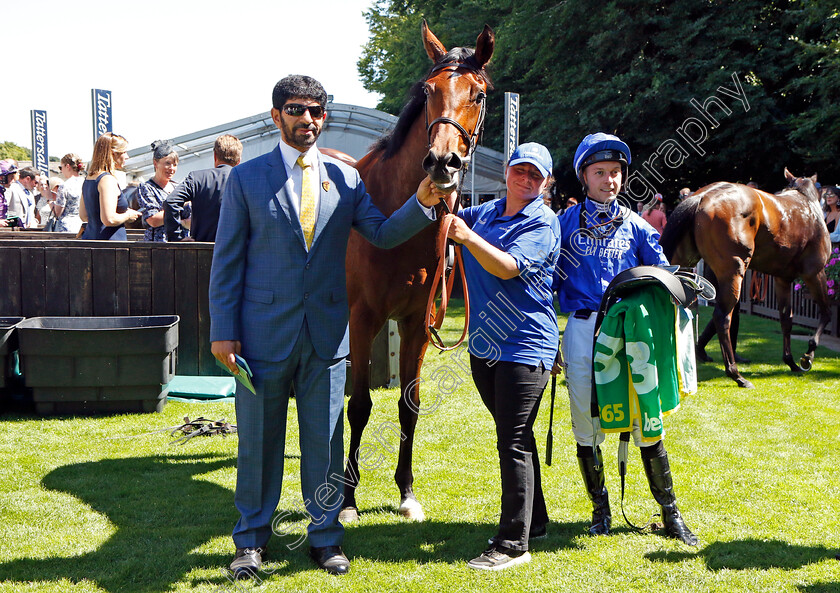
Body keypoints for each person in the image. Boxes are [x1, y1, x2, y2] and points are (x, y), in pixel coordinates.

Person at [209, 74, 450, 579]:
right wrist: (223, 333)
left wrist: (425, 201)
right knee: (258, 443)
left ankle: (325, 538)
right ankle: (251, 541)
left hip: (327, 337)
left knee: (326, 441)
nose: (308, 120)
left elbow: (382, 234)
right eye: (297, 110)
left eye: (317, 111)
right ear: (276, 116)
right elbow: (226, 264)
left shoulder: (347, 181)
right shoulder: (245, 181)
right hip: (259, 337)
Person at [554, 132, 697, 546]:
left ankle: (670, 514)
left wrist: (683, 284)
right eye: (600, 172)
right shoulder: (562, 225)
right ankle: (600, 511)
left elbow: (663, 274)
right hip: (582, 329)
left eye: (615, 172)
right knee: (585, 420)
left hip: (630, 335)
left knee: (646, 419)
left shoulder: (637, 226)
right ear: (584, 176)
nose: (610, 180)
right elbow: (543, 281)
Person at [445, 142, 561, 571]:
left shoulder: (543, 223)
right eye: (521, 171)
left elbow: (508, 267)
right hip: (485, 346)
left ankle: (513, 544)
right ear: (507, 173)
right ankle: (537, 522)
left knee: (511, 440)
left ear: (545, 182)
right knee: (519, 436)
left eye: (536, 175)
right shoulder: (489, 212)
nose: (526, 180)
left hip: (527, 346)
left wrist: (468, 237)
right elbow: (447, 214)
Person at [164, 134, 243, 242]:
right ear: (239, 160)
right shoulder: (246, 180)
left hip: (200, 250)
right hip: (236, 252)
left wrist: (176, 237)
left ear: (215, 156)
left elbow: (171, 201)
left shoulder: (196, 178)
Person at [80, 132, 141, 240]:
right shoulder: (107, 180)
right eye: (124, 152)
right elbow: (109, 219)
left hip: (90, 240)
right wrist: (128, 215)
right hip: (110, 246)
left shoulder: (89, 178)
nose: (127, 157)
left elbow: (83, 215)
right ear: (113, 154)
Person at [138, 140, 179, 242]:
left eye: (175, 164)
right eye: (167, 163)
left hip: (180, 244)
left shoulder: (178, 187)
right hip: (157, 248)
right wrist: (180, 211)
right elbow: (153, 219)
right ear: (155, 163)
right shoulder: (146, 188)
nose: (172, 168)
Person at [54, 153, 85, 233]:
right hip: (84, 225)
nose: (61, 171)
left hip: (67, 226)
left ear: (67, 166)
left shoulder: (64, 186)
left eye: (61, 167)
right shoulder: (86, 183)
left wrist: (50, 200)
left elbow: (58, 212)